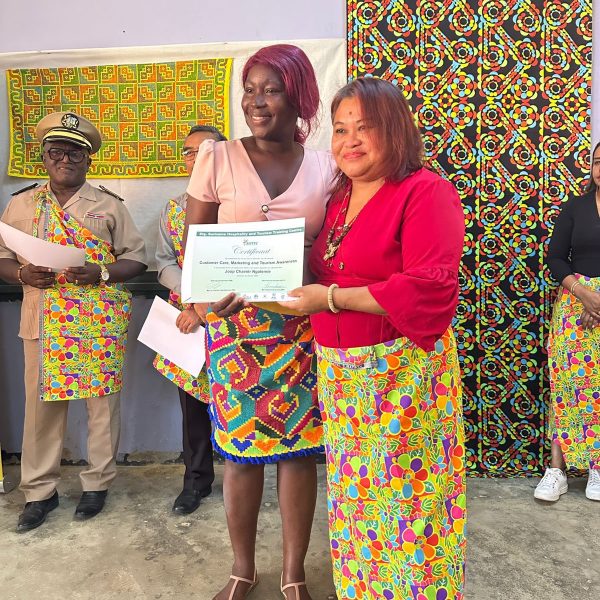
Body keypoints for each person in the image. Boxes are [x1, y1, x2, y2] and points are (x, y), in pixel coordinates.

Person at [281, 77, 467, 599]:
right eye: (340, 130)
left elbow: (429, 287)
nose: (350, 141)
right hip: (344, 382)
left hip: (402, 379)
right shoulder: (338, 197)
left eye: (365, 127)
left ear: (396, 129)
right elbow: (319, 271)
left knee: (408, 504)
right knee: (358, 504)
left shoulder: (425, 191)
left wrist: (331, 298)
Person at [184, 44, 334, 600]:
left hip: (298, 330)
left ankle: (294, 573)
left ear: (299, 98)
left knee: (299, 454)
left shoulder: (326, 166)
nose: (256, 102)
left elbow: (333, 248)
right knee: (241, 456)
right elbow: (196, 242)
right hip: (236, 333)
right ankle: (242, 569)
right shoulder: (217, 157)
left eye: (271, 90)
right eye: (249, 90)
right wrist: (200, 303)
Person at [0, 111, 147, 532]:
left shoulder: (109, 205)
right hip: (43, 319)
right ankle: (39, 492)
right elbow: (3, 258)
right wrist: (21, 274)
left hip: (95, 318)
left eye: (76, 153)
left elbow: (136, 257)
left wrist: (101, 271)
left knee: (101, 404)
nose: (66, 159)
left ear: (88, 160)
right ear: (44, 157)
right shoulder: (21, 203)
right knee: (41, 407)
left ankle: (97, 484)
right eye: (57, 152)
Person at [155, 124, 226, 515]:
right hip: (186, 318)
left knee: (235, 399)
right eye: (188, 151)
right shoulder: (172, 209)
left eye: (205, 150)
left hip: (231, 317)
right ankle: (196, 481)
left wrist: (206, 305)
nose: (195, 157)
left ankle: (244, 477)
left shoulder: (240, 203)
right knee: (193, 405)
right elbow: (164, 262)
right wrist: (192, 302)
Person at [535, 141, 600, 502]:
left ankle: (597, 467)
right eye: (597, 162)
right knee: (566, 384)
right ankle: (556, 471)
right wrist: (584, 294)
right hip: (574, 306)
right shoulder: (575, 208)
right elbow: (556, 258)